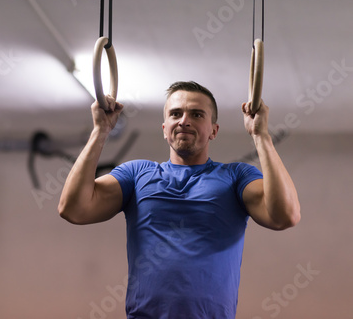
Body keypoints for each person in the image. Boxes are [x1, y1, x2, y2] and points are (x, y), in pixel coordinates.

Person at [58, 81, 301, 318]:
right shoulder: (136, 174)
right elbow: (73, 209)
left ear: (213, 130)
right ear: (164, 129)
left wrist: (261, 136)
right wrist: (100, 131)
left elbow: (286, 215)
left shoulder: (236, 176)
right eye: (176, 114)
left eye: (196, 114)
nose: (184, 120)